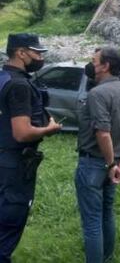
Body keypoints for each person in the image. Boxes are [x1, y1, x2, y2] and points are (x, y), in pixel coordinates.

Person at [75, 47, 120, 263]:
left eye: (93, 61)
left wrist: (112, 162)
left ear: (105, 66)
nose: (90, 64)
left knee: (92, 221)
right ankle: (107, 258)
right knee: (106, 213)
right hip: (113, 166)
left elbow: (103, 133)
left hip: (95, 163)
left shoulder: (97, 93)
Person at [0, 33, 62, 262]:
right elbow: (22, 132)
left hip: (3, 156)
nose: (40, 57)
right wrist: (50, 129)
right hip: (16, 163)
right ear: (21, 52)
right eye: (37, 52)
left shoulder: (3, 77)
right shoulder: (19, 85)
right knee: (10, 220)